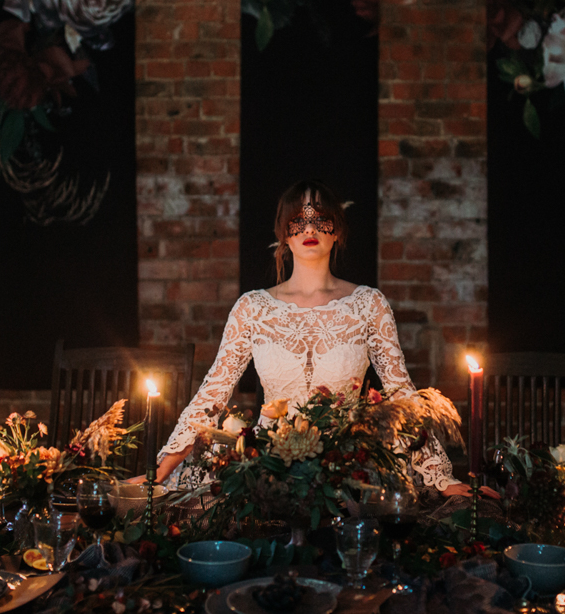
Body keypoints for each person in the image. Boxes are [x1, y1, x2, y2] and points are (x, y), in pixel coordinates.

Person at [155, 179, 471, 497]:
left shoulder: (368, 304)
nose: (310, 229)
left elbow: (401, 393)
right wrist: (167, 462)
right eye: (298, 220)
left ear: (336, 231)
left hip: (346, 467)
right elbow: (215, 390)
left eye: (320, 219)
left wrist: (440, 477)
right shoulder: (252, 307)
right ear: (283, 233)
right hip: (268, 466)